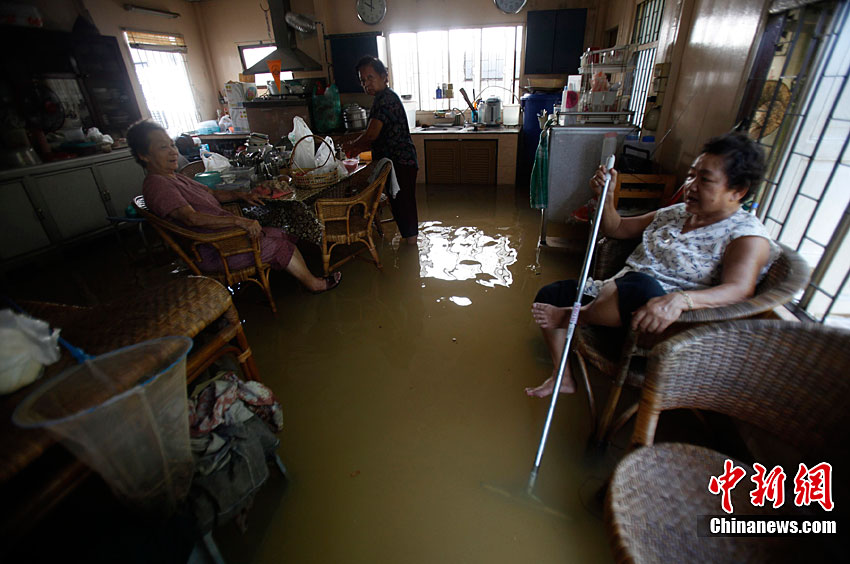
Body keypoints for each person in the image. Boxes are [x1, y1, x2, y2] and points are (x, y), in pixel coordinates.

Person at [527, 132, 778, 398]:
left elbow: (740, 290)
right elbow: (617, 228)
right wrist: (607, 197)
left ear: (738, 191)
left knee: (640, 286)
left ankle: (574, 316)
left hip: (662, 327)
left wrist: (681, 300)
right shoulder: (677, 213)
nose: (691, 185)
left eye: (704, 180)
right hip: (616, 303)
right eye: (691, 175)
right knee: (550, 295)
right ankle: (562, 376)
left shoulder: (746, 236)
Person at [127, 119, 341, 293]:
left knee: (284, 233)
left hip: (228, 237)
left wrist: (241, 194)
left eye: (172, 145)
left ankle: (293, 273)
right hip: (215, 249)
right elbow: (191, 218)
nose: (173, 151)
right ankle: (314, 284)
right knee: (280, 244)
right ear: (143, 155)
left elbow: (211, 193)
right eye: (163, 147)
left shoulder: (174, 177)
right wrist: (239, 221)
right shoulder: (158, 185)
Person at [342, 56, 419, 245]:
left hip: (401, 162)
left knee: (404, 206)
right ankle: (409, 244)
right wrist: (355, 145)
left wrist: (352, 146)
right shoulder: (383, 98)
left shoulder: (385, 99)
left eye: (370, 77)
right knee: (400, 204)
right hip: (399, 162)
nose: (366, 84)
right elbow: (373, 135)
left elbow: (371, 135)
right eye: (363, 80)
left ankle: (411, 248)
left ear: (384, 76)